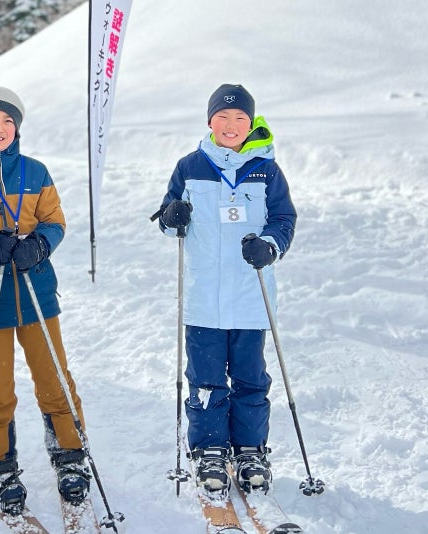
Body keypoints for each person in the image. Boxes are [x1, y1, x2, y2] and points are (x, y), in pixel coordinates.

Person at [0, 87, 91, 515]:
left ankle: (70, 454)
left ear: (17, 129)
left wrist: (40, 245)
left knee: (55, 379)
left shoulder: (35, 172)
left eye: (8, 121)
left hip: (35, 292)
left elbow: (55, 221)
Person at [155, 84, 297, 497]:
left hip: (251, 296)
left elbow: (284, 219)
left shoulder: (266, 170)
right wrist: (172, 216)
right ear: (210, 121)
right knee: (205, 379)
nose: (231, 125)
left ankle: (251, 449)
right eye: (223, 117)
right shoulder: (190, 166)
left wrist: (269, 245)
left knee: (251, 378)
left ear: (250, 124)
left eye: (239, 118)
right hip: (204, 298)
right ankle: (210, 449)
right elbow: (167, 219)